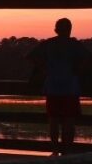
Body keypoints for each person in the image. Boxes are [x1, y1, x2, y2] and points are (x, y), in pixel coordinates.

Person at [28, 18, 87, 148]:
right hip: (70, 87)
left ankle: (55, 150)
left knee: (53, 120)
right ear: (70, 29)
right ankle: (67, 150)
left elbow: (31, 55)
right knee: (69, 120)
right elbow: (89, 57)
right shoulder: (74, 44)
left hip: (52, 87)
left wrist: (44, 69)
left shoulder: (49, 43)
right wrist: (78, 69)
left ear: (56, 30)